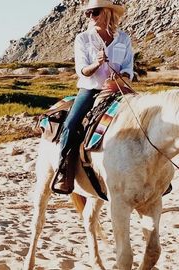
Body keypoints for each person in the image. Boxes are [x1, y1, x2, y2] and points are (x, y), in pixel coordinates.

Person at [51, 0, 134, 194]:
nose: (90, 17)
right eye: (87, 13)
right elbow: (82, 71)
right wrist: (96, 64)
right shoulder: (83, 38)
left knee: (147, 118)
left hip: (119, 90)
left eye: (94, 12)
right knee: (71, 124)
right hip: (91, 90)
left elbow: (129, 67)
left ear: (107, 12)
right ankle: (64, 170)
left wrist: (122, 78)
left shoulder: (123, 39)